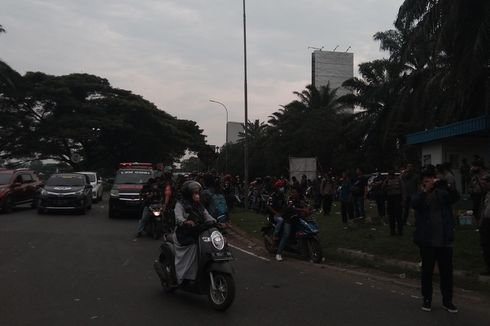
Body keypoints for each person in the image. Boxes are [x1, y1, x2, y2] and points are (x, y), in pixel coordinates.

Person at [411, 168, 460, 313]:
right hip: (427, 241)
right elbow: (414, 203)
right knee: (427, 272)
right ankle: (427, 299)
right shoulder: (420, 194)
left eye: (432, 179)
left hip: (444, 240)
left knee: (446, 273)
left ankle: (447, 301)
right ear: (422, 183)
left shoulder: (442, 193)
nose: (430, 182)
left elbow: (454, 198)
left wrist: (447, 185)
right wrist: (425, 190)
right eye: (426, 180)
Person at [173, 181, 216, 285]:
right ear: (188, 194)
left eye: (198, 193)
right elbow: (178, 217)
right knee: (194, 246)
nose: (197, 195)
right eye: (194, 193)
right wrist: (186, 222)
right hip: (184, 233)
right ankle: (186, 276)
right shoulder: (180, 204)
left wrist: (215, 221)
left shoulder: (199, 205)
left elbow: (207, 215)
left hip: (197, 231)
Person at [276, 187, 309, 262]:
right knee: (286, 235)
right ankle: (278, 253)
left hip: (297, 218)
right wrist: (303, 209)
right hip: (288, 219)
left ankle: (303, 249)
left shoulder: (301, 198)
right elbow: (292, 208)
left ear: (298, 193)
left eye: (295, 192)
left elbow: (306, 204)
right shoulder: (290, 199)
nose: (293, 194)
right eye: (292, 192)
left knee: (304, 231)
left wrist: (308, 209)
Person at [267, 179, 287, 261]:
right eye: (281, 187)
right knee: (281, 220)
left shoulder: (282, 195)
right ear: (277, 188)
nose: (282, 188)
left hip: (282, 213)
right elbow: (268, 206)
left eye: (283, 187)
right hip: (275, 215)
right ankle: (275, 235)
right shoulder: (273, 196)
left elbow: (285, 205)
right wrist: (276, 213)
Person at [383, 169, 405, 236]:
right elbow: (383, 188)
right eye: (390, 175)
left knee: (398, 216)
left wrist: (403, 200)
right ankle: (392, 231)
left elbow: (403, 190)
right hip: (390, 199)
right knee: (391, 216)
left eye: (392, 174)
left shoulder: (399, 180)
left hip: (397, 198)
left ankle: (400, 231)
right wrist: (386, 180)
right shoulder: (387, 180)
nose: (391, 176)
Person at [479, 175, 490, 276]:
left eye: (484, 183)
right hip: (486, 222)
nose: (483, 186)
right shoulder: (486, 194)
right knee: (485, 245)